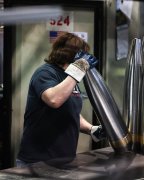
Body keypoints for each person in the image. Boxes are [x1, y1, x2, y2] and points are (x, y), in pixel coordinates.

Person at [17, 32, 105, 167]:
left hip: (64, 160)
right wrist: (78, 69)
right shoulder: (45, 73)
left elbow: (71, 111)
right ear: (73, 55)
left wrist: (91, 129)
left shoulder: (68, 77)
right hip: (38, 161)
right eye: (82, 55)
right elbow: (54, 100)